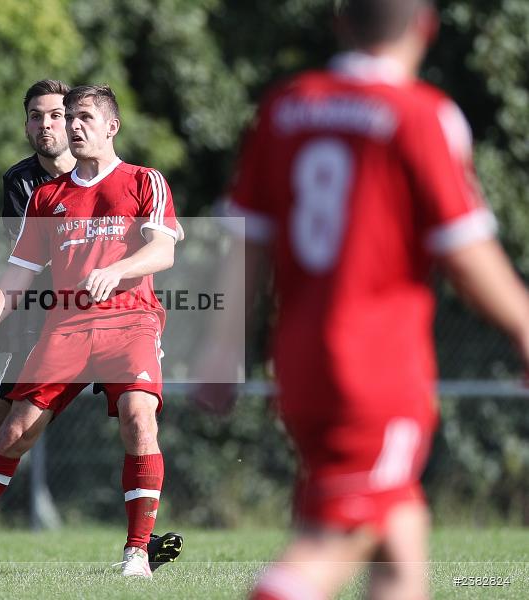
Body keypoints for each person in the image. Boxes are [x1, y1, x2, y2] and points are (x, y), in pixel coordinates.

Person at [194, 1, 529, 598]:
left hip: (300, 364)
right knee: (332, 544)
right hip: (375, 368)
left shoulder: (286, 107)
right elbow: (466, 250)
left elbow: (248, 243)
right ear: (427, 27)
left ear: (340, 22)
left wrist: (222, 349)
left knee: (400, 539)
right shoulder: (419, 114)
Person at [0, 80, 182, 572]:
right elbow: (16, 275)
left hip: (131, 321)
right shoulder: (46, 197)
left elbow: (163, 249)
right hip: (65, 326)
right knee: (12, 433)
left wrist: (118, 270)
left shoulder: (144, 180)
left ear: (112, 126)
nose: (73, 126)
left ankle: (136, 553)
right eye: (71, 118)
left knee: (138, 417)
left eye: (84, 117)